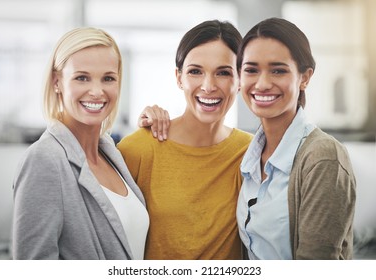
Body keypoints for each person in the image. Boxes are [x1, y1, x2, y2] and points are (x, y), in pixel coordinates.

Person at [117, 20, 253, 260]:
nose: (209, 86)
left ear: (240, 79)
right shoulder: (138, 149)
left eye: (223, 72)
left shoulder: (252, 152)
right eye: (195, 71)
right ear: (179, 78)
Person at [12, 27, 149, 260]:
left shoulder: (112, 156)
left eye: (108, 78)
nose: (96, 91)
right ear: (57, 82)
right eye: (82, 77)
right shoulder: (44, 159)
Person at [236, 17, 356, 259]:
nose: (262, 83)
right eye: (251, 70)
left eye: (278, 70)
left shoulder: (323, 157)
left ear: (304, 77)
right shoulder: (249, 156)